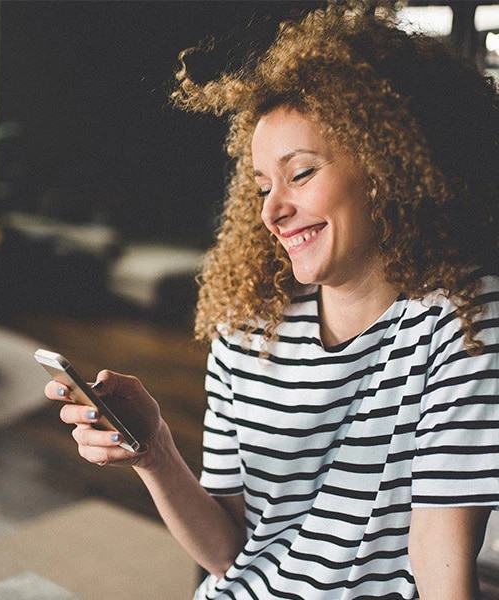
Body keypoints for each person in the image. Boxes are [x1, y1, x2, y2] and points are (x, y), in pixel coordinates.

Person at [45, 2, 499, 598]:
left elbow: (442, 562)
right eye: (261, 185)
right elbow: (231, 552)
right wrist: (154, 451)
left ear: (392, 167)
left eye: (302, 173)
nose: (270, 211)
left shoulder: (462, 323)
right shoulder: (248, 325)